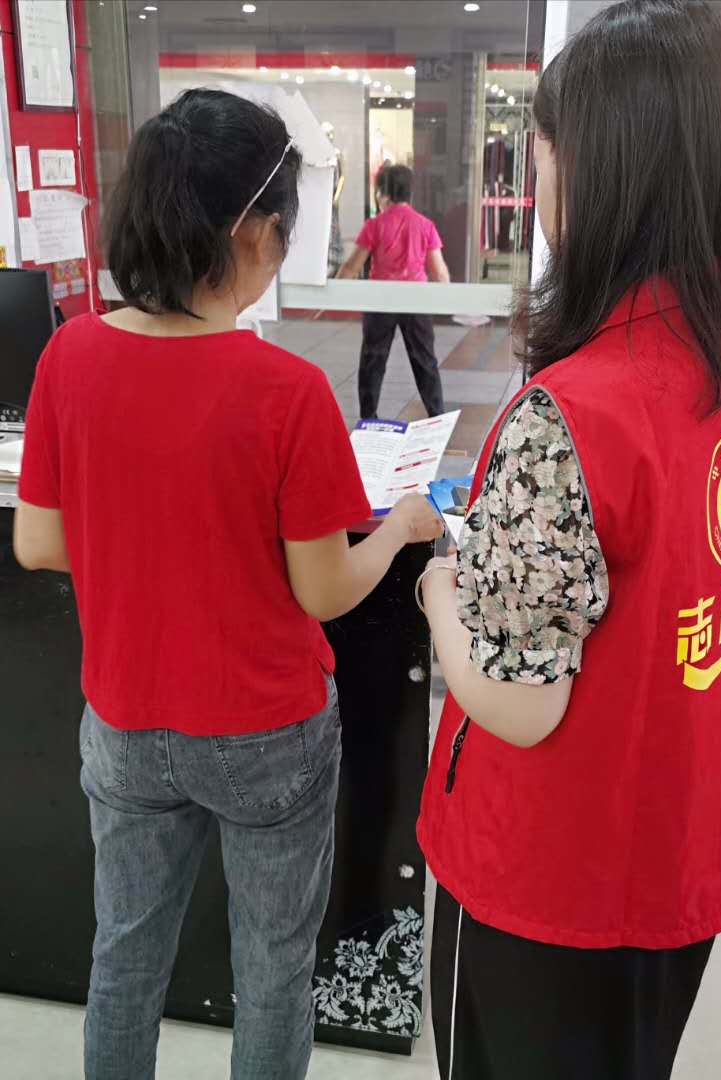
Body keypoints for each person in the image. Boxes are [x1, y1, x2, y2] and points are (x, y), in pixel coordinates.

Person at [415, 3, 721, 1077]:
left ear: (590, 167)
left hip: (544, 881)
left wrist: (440, 596)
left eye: (542, 147)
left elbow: (519, 701)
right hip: (685, 857)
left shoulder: (573, 413)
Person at [13, 89, 441, 1080]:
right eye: (284, 230)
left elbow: (37, 542)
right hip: (265, 736)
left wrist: (144, 545)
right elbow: (324, 589)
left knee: (124, 964)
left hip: (124, 723)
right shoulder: (285, 392)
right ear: (251, 231)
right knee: (275, 973)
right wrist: (400, 529)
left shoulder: (70, 355)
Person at [337, 164, 451, 420]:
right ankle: (436, 417)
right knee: (425, 361)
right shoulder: (425, 225)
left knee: (373, 360)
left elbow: (352, 266)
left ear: (383, 192)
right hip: (416, 301)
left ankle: (369, 417)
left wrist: (333, 293)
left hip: (381, 300)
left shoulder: (375, 225)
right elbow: (439, 272)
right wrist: (448, 299)